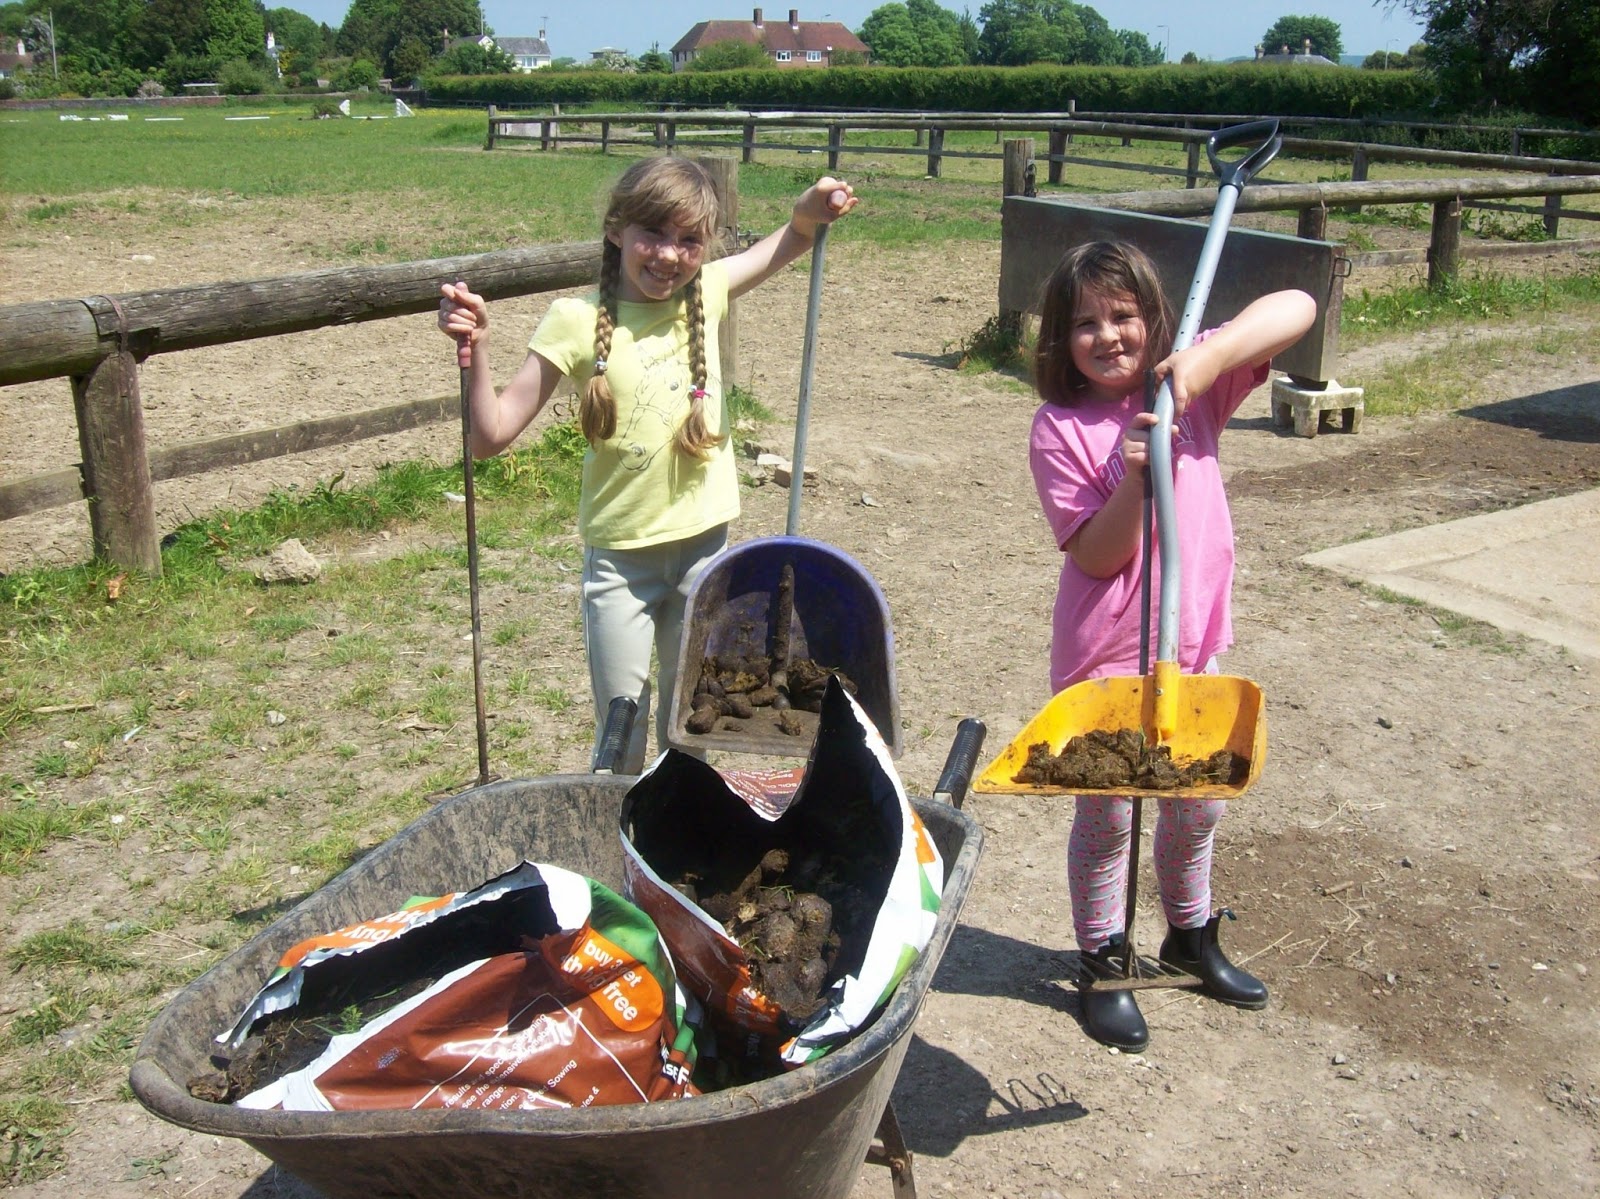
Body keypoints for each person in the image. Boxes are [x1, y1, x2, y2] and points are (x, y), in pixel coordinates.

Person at [439, 156, 857, 774]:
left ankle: (680, 843)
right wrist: (475, 351)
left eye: (690, 240)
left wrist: (810, 208)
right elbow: (489, 436)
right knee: (621, 729)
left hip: (707, 557)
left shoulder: (708, 291)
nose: (669, 255)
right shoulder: (574, 321)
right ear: (616, 230)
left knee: (694, 718)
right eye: (654, 234)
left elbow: (793, 239)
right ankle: (620, 838)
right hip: (621, 566)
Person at [1027, 240, 1316, 1052]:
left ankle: (1189, 935)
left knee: (1201, 802)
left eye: (1124, 316)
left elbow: (1297, 306)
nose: (1108, 335)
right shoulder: (1060, 428)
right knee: (1109, 814)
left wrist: (1203, 363)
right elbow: (1094, 554)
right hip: (1105, 662)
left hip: (1189, 650)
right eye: (1086, 323)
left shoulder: (1191, 388)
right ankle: (1103, 957)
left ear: (1156, 322)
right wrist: (1135, 478)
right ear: (1061, 340)